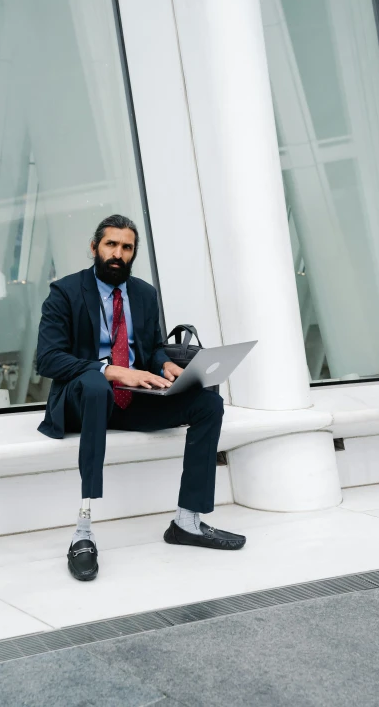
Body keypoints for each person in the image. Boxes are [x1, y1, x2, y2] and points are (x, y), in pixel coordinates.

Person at [37, 214, 246, 581]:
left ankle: (187, 522)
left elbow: (150, 349)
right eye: (111, 245)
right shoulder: (65, 292)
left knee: (208, 403)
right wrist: (112, 370)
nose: (118, 253)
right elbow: (48, 359)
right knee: (97, 384)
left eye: (127, 247)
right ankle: (83, 533)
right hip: (81, 402)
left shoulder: (145, 294)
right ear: (94, 248)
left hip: (131, 400)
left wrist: (166, 366)